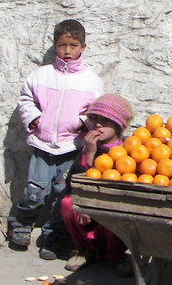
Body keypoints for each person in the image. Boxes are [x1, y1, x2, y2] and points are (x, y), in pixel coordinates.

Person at [10, 19, 103, 260]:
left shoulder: (91, 81)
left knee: (62, 193)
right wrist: (34, 118)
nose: (67, 51)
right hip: (42, 145)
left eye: (73, 45)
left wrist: (82, 123)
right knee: (34, 191)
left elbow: (95, 110)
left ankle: (53, 236)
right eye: (62, 45)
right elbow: (26, 99)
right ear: (55, 46)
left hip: (70, 147)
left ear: (83, 47)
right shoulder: (41, 75)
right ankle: (21, 224)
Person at [58, 93, 133, 276]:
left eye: (105, 120)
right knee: (68, 203)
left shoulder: (127, 152)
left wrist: (94, 206)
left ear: (117, 124)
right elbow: (74, 182)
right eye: (94, 119)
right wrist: (90, 154)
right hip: (87, 212)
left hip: (109, 209)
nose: (98, 124)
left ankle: (116, 255)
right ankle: (84, 249)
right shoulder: (87, 148)